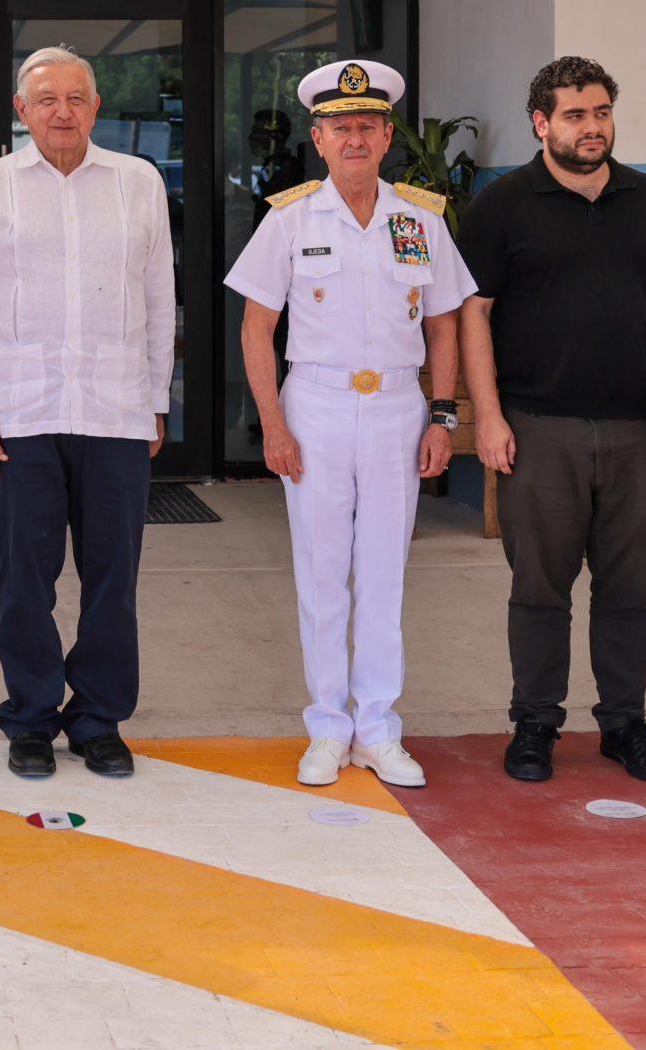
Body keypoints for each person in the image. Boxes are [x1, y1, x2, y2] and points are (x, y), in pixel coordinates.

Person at [458, 55, 646, 786]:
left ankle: (625, 723)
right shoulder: (503, 205)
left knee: (630, 587)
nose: (592, 126)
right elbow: (472, 314)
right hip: (540, 429)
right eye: (575, 114)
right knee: (539, 587)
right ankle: (535, 722)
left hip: (643, 431)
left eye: (601, 111)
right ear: (542, 123)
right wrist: (489, 417)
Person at [227, 60, 470, 787]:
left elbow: (445, 325)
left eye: (367, 124)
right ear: (319, 137)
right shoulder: (291, 217)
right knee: (323, 570)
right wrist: (274, 423)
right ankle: (328, 726)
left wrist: (442, 415)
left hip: (399, 406)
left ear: (389, 135)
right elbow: (256, 327)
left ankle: (379, 728)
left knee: (385, 572)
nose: (355, 137)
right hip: (319, 406)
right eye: (341, 126)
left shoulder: (420, 217)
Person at [0, 46, 173, 779]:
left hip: (115, 410)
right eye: (46, 99)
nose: (63, 111)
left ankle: (99, 719)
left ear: (97, 107)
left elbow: (160, 301)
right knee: (25, 581)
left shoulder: (137, 184)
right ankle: (32, 718)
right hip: (20, 413)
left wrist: (155, 398)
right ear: (22, 111)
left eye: (76, 97)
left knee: (114, 577)